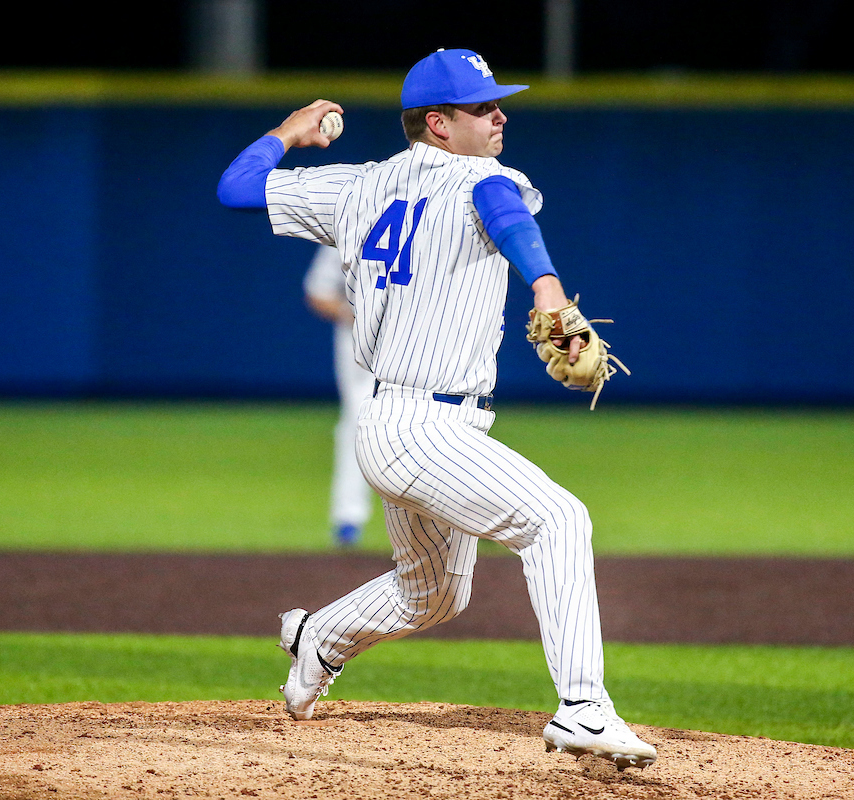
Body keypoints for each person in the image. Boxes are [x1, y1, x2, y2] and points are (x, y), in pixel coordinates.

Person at [216, 48, 656, 770]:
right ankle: (582, 708)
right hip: (422, 425)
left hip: (400, 424)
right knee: (557, 519)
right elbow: (501, 208)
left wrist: (289, 133)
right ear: (438, 124)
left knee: (434, 593)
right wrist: (546, 285)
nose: (500, 114)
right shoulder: (481, 176)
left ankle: (318, 639)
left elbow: (238, 188)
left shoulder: (358, 186)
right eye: (483, 108)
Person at [303, 243, 376, 547]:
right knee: (357, 426)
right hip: (360, 348)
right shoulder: (348, 223)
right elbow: (317, 291)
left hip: (417, 343)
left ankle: (462, 519)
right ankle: (348, 519)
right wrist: (353, 315)